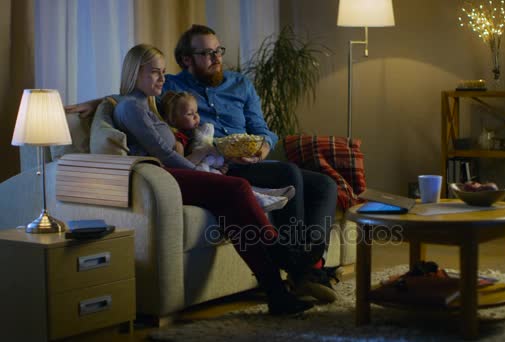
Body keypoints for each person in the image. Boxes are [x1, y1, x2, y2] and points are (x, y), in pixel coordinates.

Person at [66, 24, 339, 302]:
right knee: (284, 174)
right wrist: (100, 101)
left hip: (248, 158)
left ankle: (307, 267)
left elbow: (262, 128)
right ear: (187, 59)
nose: (217, 57)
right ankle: (297, 268)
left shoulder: (240, 84)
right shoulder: (171, 86)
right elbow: (133, 95)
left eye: (218, 51)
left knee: (325, 185)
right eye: (207, 53)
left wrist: (263, 149)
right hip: (216, 163)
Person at [112, 43, 312, 315]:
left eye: (163, 72)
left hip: (171, 174)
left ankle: (277, 293)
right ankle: (284, 255)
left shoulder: (146, 104)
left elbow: (115, 101)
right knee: (238, 187)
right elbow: (164, 154)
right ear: (135, 73)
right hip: (160, 178)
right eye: (155, 73)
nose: (162, 78)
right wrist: (202, 174)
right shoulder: (131, 108)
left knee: (231, 212)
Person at [160, 90, 295, 212]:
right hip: (199, 179)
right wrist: (204, 151)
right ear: (174, 119)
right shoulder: (178, 142)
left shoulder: (196, 135)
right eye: (190, 114)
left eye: (196, 112)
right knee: (235, 184)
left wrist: (220, 165)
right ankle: (261, 199)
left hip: (211, 170)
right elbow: (181, 169)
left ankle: (268, 194)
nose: (196, 117)